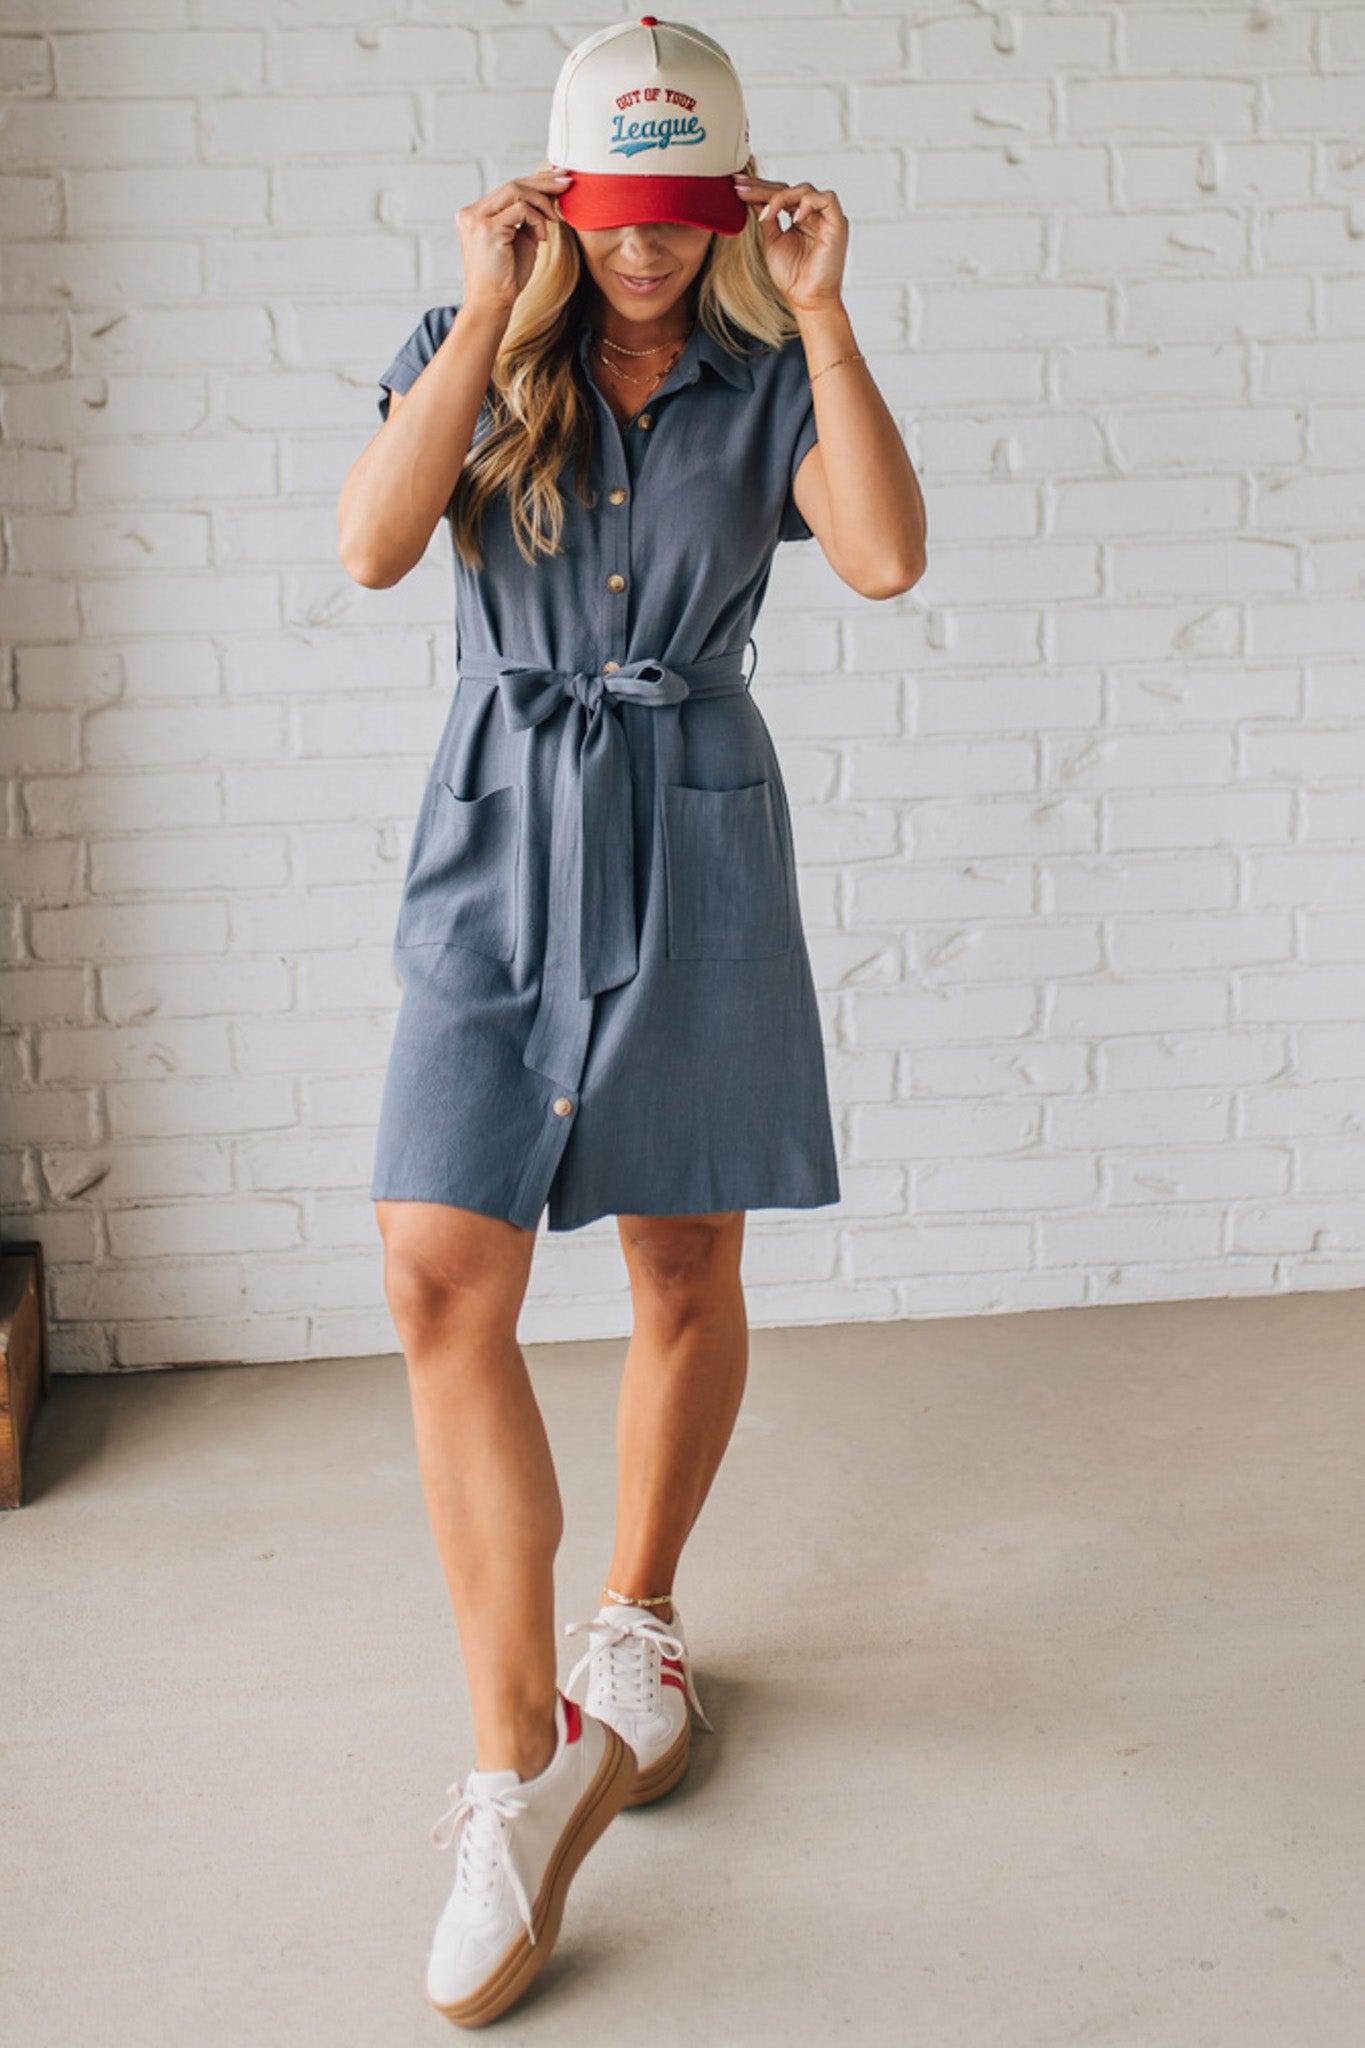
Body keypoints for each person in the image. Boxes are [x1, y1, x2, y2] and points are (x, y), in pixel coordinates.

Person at [337, 14, 925, 2028]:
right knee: (437, 1276)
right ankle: (522, 1776)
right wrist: (493, 299)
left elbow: (877, 556)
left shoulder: (772, 373)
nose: (650, 252)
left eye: (684, 212)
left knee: (683, 1260)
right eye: (615, 213)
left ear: (730, 200)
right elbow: (371, 541)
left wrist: (829, 317)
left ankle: (636, 1622)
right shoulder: (472, 332)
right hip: (497, 822)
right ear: (562, 197)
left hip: (691, 835)